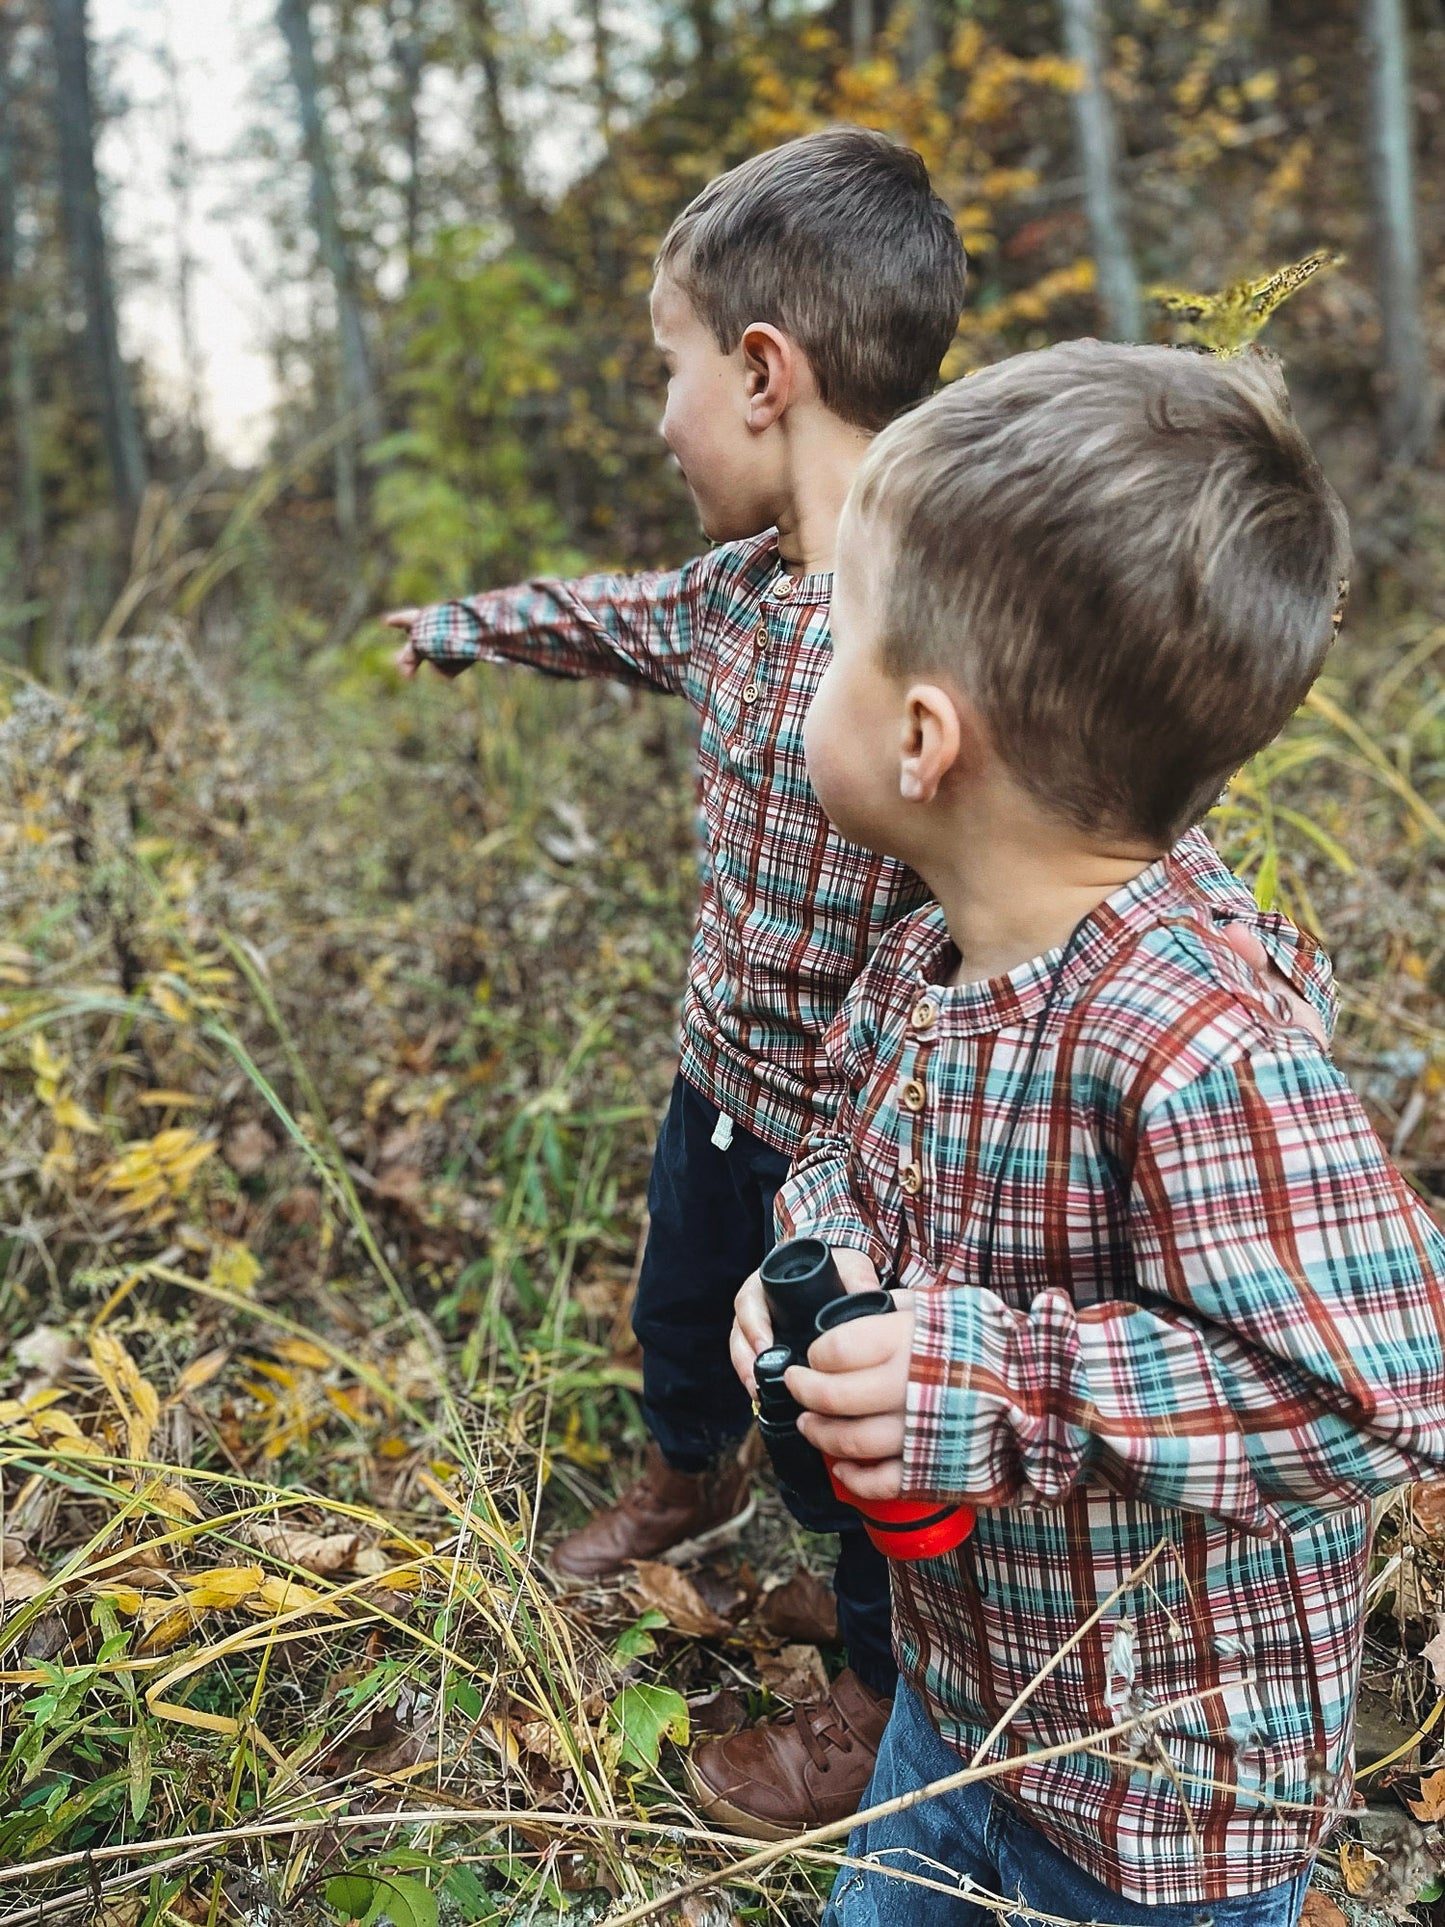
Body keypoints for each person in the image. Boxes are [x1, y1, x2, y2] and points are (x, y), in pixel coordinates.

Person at [387, 131, 1327, 1837]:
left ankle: (879, 1677)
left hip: (900, 1151)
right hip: (730, 1092)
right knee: (694, 1315)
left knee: (865, 1425)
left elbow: (1092, 854)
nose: (657, 419)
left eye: (664, 372)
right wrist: (471, 623)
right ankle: (689, 1478)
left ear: (759, 373)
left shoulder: (955, 637)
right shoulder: (736, 599)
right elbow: (607, 620)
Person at [729, 339, 1445, 1919]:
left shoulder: (1189, 1043)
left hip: (1157, 1807)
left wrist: (990, 1381)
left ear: (923, 738)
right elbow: (850, 1143)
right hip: (962, 1715)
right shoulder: (931, 953)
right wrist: (815, 1263)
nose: (805, 652)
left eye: (835, 626)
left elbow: (1387, 1389)